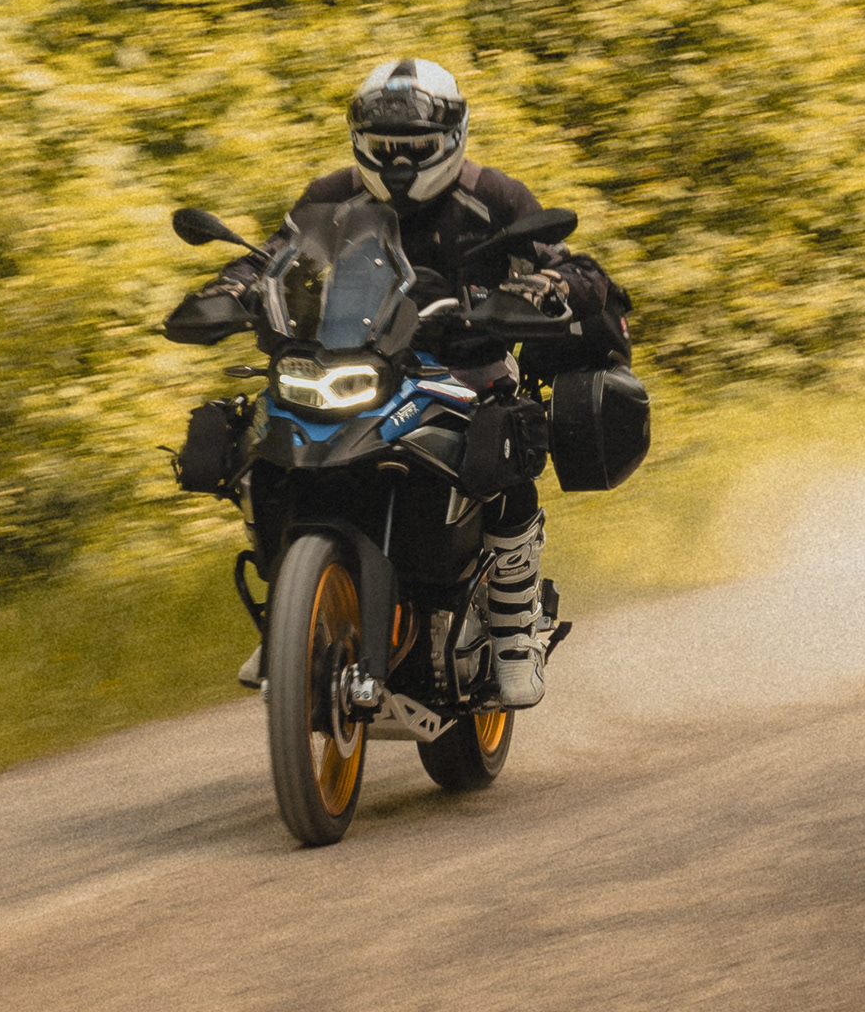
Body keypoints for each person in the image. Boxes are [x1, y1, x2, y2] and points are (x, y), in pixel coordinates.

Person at [168, 57, 627, 709]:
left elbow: (579, 269)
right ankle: (291, 619)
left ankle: (514, 627)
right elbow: (273, 257)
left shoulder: (495, 196)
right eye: (386, 149)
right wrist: (231, 290)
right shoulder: (330, 195)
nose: (401, 162)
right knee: (262, 444)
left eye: (415, 148)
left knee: (504, 439)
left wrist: (540, 289)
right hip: (352, 363)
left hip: (465, 370)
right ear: (361, 143)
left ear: (452, 137)